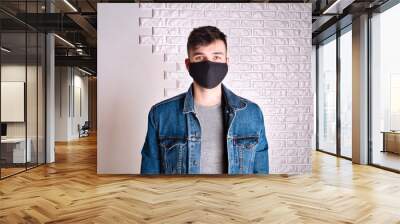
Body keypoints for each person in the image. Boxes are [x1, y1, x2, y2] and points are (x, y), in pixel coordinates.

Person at [140, 26, 269, 174]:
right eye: (200, 58)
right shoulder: (161, 114)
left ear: (226, 62)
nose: (209, 65)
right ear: (188, 65)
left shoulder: (252, 114)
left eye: (216, 57)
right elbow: (149, 179)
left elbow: (262, 180)